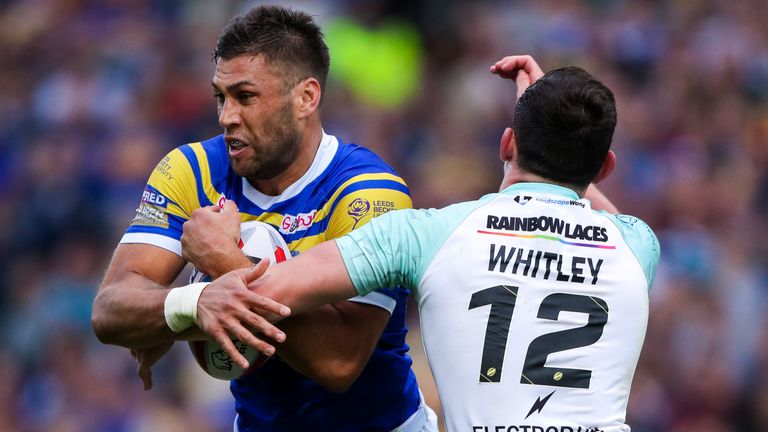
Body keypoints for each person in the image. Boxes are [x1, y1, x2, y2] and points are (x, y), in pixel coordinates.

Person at [206, 55, 661, 431]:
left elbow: (268, 295)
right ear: (605, 168)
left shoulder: (426, 234)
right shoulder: (639, 247)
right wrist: (562, 133)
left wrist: (223, 255)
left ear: (506, 145)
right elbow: (592, 200)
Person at [91, 5, 438, 432]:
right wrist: (193, 305)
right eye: (221, 96)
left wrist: (227, 264)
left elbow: (339, 362)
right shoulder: (192, 170)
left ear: (306, 98)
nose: (226, 116)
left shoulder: (369, 194)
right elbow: (110, 309)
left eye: (245, 96)